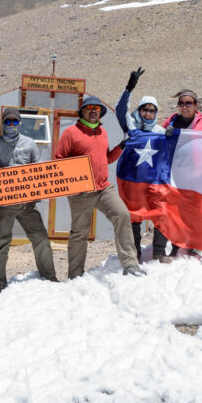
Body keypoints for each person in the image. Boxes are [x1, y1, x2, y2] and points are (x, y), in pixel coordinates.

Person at [55, 95, 143, 278]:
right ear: (83, 111)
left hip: (103, 188)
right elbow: (58, 161)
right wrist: (74, 180)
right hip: (81, 192)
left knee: (123, 215)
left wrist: (121, 146)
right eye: (90, 108)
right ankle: (75, 274)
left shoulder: (102, 132)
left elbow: (106, 158)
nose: (94, 111)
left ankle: (130, 264)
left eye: (97, 109)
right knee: (80, 232)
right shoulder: (71, 132)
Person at [0, 107, 58, 293]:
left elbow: (37, 172)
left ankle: (49, 275)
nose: (11, 125)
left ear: (20, 123)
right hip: (4, 206)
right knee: (2, 242)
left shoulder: (30, 143)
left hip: (27, 205)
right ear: (3, 123)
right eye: (8, 122)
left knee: (41, 238)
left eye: (14, 121)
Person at [114, 68, 172, 262]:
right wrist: (129, 87)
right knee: (133, 217)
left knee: (162, 213)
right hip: (132, 180)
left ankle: (159, 252)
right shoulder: (131, 126)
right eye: (144, 109)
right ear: (139, 111)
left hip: (154, 181)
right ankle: (135, 254)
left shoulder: (161, 131)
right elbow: (120, 109)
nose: (148, 113)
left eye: (152, 110)